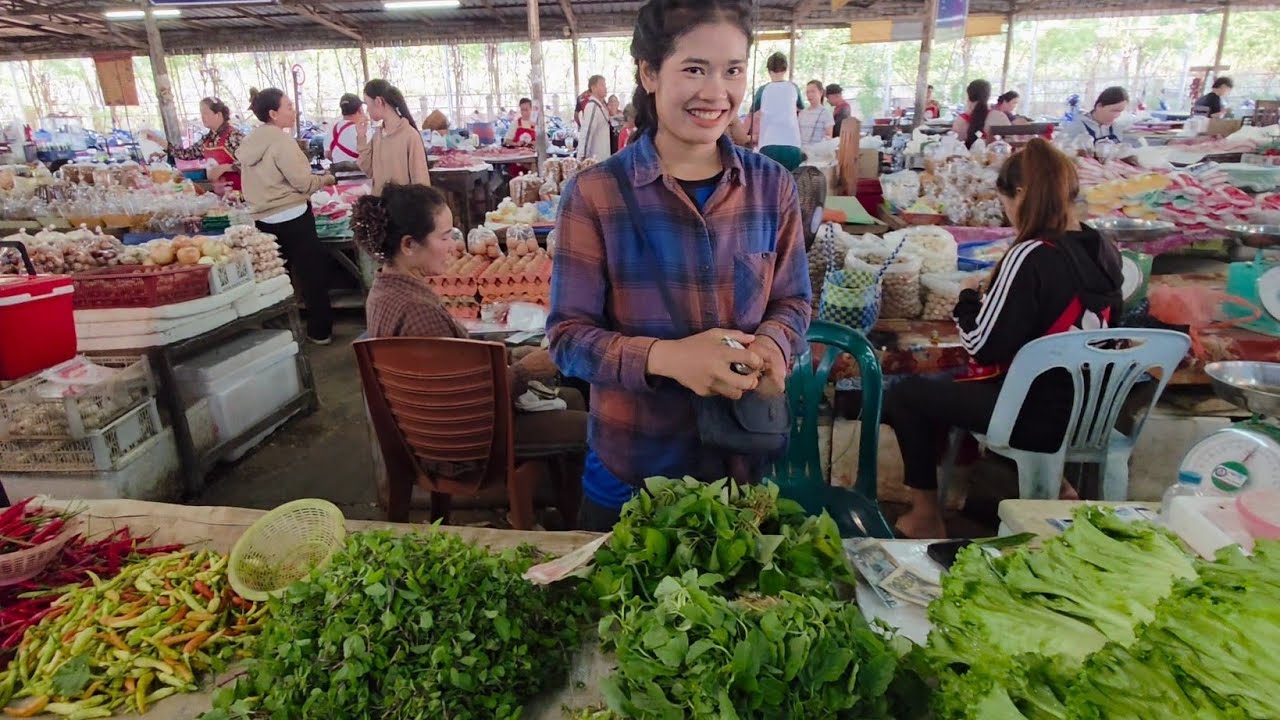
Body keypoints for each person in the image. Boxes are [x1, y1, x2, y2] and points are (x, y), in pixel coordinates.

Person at [548, 0, 811, 531]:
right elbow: (567, 340)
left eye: (733, 70)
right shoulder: (596, 195)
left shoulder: (770, 187)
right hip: (630, 472)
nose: (716, 93)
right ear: (649, 73)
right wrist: (668, 358)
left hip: (741, 470)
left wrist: (774, 343)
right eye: (694, 69)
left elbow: (792, 300)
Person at [883, 138, 1122, 538]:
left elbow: (983, 344)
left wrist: (968, 298)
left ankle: (925, 514)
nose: (1008, 214)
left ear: (1021, 195)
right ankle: (1059, 486)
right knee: (957, 388)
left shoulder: (1030, 254)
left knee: (905, 393)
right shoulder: (1104, 247)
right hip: (1093, 413)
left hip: (1034, 418)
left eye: (1006, 202)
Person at [355, 183, 587, 471]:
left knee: (574, 397)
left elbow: (451, 367)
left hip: (430, 426)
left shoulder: (385, 289)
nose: (453, 246)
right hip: (460, 440)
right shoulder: (417, 311)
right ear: (409, 244)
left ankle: (562, 494)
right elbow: (466, 399)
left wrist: (509, 355)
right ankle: (566, 504)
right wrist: (527, 371)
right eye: (444, 237)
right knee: (592, 428)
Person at [240, 88, 337, 345]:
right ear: (273, 113)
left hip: (263, 219)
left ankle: (277, 336)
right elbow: (303, 183)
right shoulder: (282, 142)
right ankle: (320, 332)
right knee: (312, 275)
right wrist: (325, 179)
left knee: (272, 278)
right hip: (294, 216)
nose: (293, 111)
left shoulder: (249, 143)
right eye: (288, 106)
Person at [148, 97, 244, 193]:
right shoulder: (207, 139)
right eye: (201, 114)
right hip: (221, 193)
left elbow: (253, 163)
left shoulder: (235, 136)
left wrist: (226, 167)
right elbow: (186, 153)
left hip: (242, 193)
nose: (202, 117)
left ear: (218, 114)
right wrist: (158, 140)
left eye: (205, 113)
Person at [357, 79, 431, 196]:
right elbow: (370, 171)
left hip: (402, 209)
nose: (367, 110)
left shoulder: (410, 136)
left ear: (378, 101)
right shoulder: (378, 135)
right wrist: (361, 137)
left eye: (367, 104)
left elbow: (421, 182)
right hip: (380, 208)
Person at [751, 52, 804, 170]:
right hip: (792, 144)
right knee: (793, 183)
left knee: (769, 183)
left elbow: (752, 115)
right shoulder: (793, 88)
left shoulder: (763, 90)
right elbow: (801, 109)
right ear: (786, 69)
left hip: (768, 144)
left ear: (769, 70)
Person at [1061, 86, 1130, 146]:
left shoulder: (1116, 128)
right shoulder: (1076, 125)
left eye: (1120, 112)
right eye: (1114, 111)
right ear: (1099, 106)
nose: (1117, 115)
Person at [577, 75, 612, 161]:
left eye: (605, 85)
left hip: (603, 159)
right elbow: (586, 133)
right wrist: (582, 159)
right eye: (602, 85)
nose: (605, 88)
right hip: (595, 161)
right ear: (593, 88)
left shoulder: (601, 106)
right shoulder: (592, 106)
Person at [952, 79, 994, 148]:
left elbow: (954, 145)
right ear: (988, 96)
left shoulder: (961, 120)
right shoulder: (997, 116)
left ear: (969, 95)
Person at [328, 93, 366, 164]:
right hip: (362, 174)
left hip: (338, 173)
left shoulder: (332, 130)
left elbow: (327, 154)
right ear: (360, 109)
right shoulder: (364, 131)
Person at [797, 80, 835, 145]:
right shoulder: (802, 113)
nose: (809, 94)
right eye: (807, 92)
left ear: (821, 92)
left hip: (818, 152)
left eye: (813, 91)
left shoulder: (826, 113)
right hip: (801, 151)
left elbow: (828, 137)